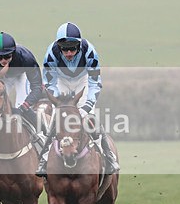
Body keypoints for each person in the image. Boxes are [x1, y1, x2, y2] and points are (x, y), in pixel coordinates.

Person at [35, 22, 118, 177]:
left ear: (79, 45)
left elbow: (95, 83)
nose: (68, 53)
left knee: (90, 119)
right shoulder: (51, 53)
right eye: (64, 49)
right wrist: (59, 103)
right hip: (61, 82)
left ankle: (108, 156)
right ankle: (44, 159)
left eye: (72, 48)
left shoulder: (89, 51)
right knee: (56, 120)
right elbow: (49, 83)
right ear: (58, 46)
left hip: (83, 81)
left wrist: (86, 107)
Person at [0, 31, 44, 129]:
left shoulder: (26, 58)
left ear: (13, 52)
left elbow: (37, 87)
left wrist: (25, 106)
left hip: (22, 75)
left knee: (21, 106)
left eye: (7, 56)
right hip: (1, 77)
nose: (3, 60)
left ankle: (40, 131)